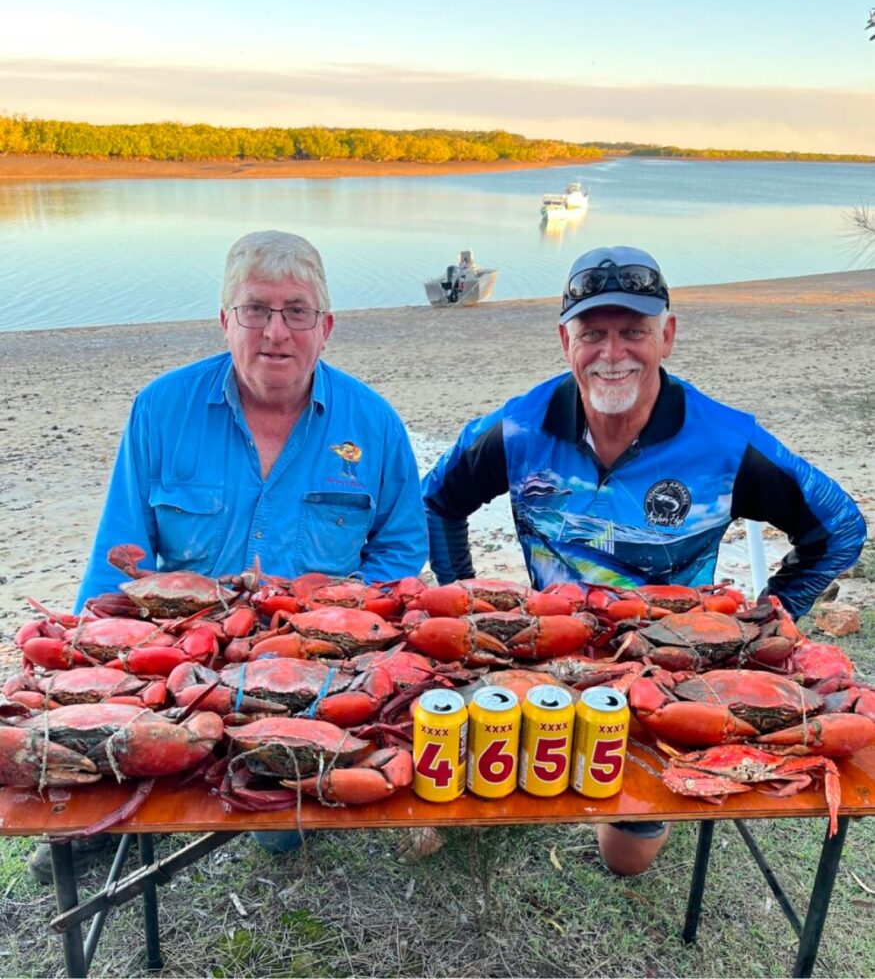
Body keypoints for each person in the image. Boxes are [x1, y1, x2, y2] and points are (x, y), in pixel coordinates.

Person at [421, 244, 867, 876]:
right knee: (479, 798)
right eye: (592, 333)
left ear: (668, 336)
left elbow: (840, 529)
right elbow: (438, 500)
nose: (612, 353)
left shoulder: (725, 441)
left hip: (681, 669)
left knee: (626, 861)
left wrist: (768, 622)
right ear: (565, 341)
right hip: (547, 651)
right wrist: (465, 605)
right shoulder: (518, 428)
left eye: (633, 331)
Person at [28, 230, 428, 884]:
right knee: (121, 774)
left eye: (295, 311)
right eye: (255, 309)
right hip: (181, 655)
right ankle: (114, 827)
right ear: (225, 321)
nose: (275, 332)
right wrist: (82, 670)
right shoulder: (160, 410)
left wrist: (340, 623)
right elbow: (116, 558)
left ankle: (281, 799)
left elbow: (401, 552)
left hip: (319, 656)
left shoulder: (375, 423)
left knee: (282, 825)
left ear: (324, 327)